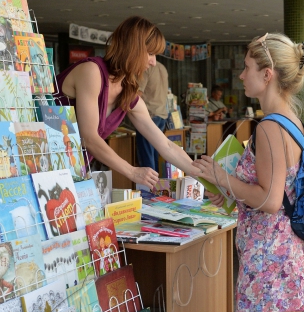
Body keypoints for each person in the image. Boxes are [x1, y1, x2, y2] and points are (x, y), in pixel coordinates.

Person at [193, 32, 304, 312]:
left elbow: (270, 199)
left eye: (246, 69)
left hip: (267, 256)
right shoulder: (292, 121)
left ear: (268, 74)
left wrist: (224, 179)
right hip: (291, 250)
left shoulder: (269, 127)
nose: (241, 76)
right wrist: (233, 191)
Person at [56, 16, 200, 189]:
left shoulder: (128, 93)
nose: (153, 62)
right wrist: (132, 172)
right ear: (134, 48)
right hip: (38, 165)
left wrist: (207, 177)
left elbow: (167, 145)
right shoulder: (92, 71)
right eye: (151, 53)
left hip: (70, 172)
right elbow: (89, 138)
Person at [134, 59, 169, 171]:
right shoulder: (162, 67)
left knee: (146, 157)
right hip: (161, 115)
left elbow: (137, 94)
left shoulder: (146, 69)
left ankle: (148, 188)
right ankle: (155, 186)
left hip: (149, 116)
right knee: (154, 155)